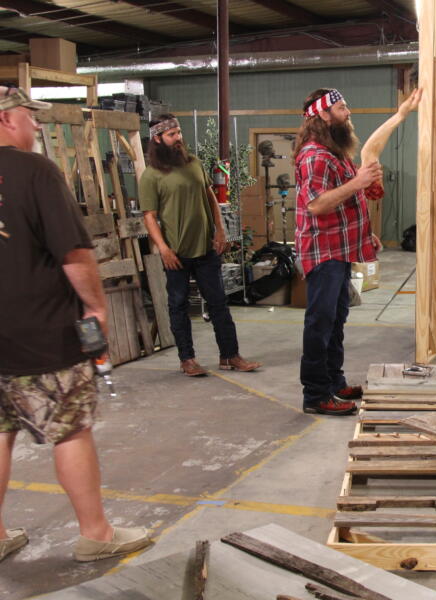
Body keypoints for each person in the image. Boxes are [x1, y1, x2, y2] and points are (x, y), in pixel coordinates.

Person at [0, 85, 151, 562]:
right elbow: (73, 252)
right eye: (31, 115)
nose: (37, 125)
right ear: (6, 119)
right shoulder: (34, 172)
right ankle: (96, 534)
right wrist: (96, 309)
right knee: (70, 429)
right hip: (40, 331)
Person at [140, 114, 261, 377]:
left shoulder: (194, 163)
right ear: (158, 139)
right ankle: (187, 359)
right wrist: (163, 248)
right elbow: (149, 216)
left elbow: (210, 197)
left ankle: (230, 355)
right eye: (172, 135)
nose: (178, 138)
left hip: (206, 248)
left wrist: (220, 230)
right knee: (179, 305)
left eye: (179, 132)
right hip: (176, 253)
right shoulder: (151, 175)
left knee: (219, 303)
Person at [293, 88, 384, 416]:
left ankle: (334, 381)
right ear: (322, 115)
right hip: (323, 251)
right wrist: (359, 182)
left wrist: (367, 233)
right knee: (320, 322)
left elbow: (347, 198)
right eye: (342, 107)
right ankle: (316, 394)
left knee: (336, 319)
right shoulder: (315, 154)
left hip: (342, 249)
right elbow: (317, 204)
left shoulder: (336, 151)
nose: (349, 112)